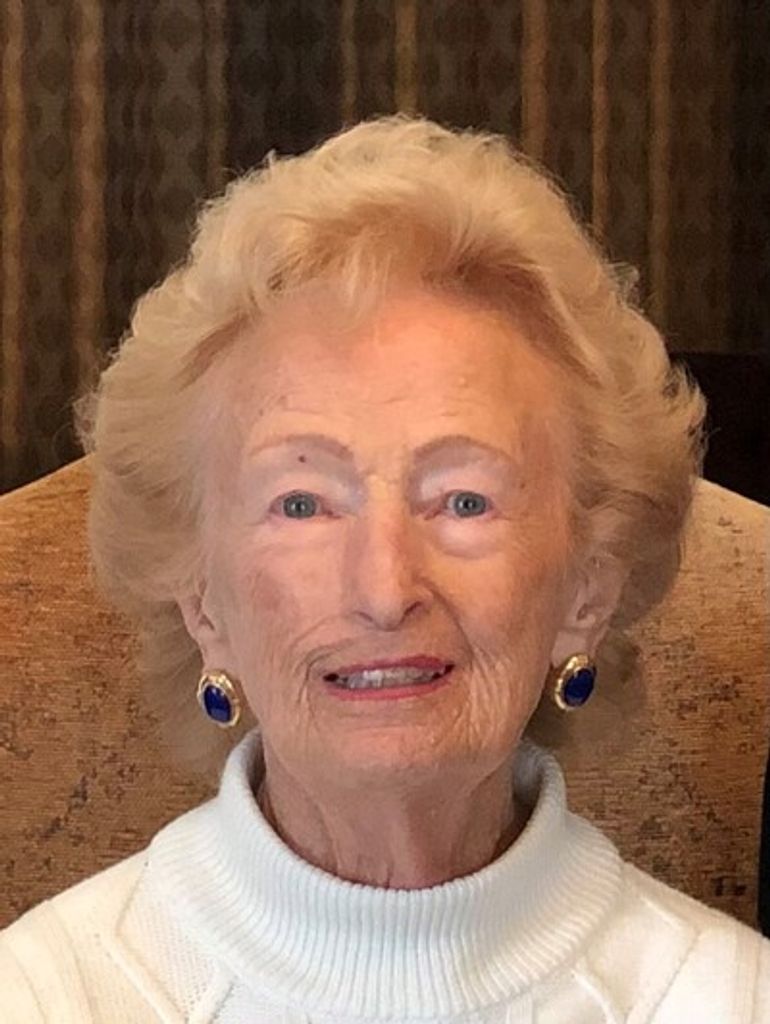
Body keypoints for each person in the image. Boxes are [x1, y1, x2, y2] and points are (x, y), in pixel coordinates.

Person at [1, 113, 768, 1023]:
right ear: (201, 602)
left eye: (464, 501)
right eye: (302, 504)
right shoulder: (45, 994)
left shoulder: (726, 997)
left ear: (587, 590)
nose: (384, 589)